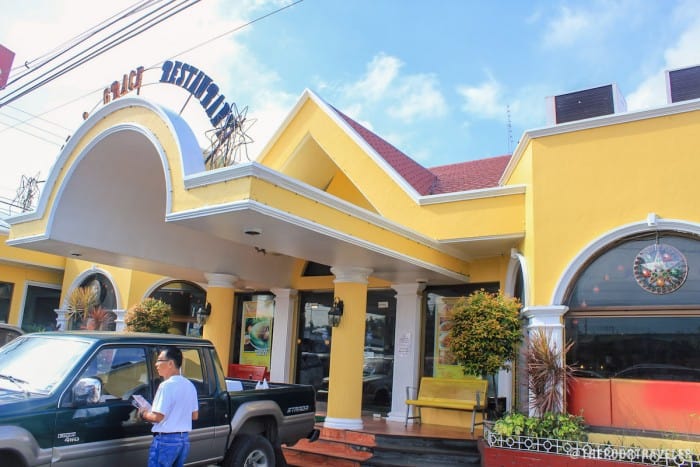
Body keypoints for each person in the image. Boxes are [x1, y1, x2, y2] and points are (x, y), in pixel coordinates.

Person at [138, 347, 199, 467]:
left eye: (160, 360)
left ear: (170, 363)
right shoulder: (190, 385)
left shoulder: (165, 386)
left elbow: (157, 417)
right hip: (183, 440)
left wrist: (143, 413)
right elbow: (194, 415)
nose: (156, 364)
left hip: (165, 441)